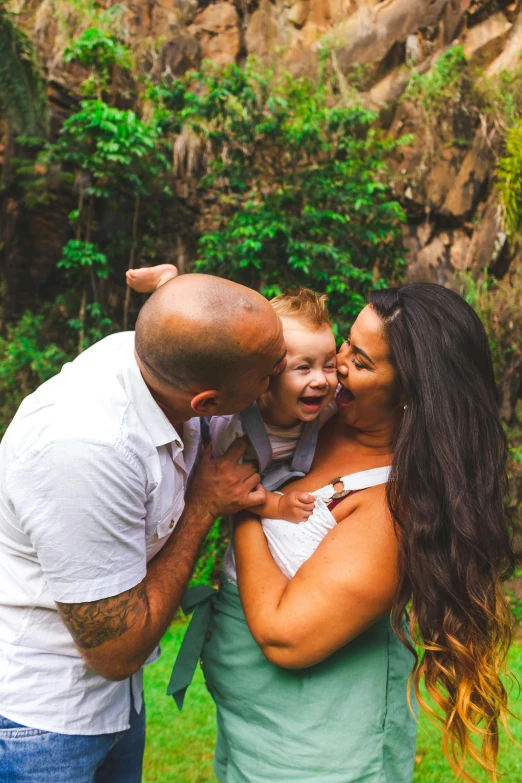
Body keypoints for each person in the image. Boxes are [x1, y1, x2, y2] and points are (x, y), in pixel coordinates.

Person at [190, 283, 516, 783]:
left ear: (410, 391)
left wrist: (243, 505)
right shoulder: (319, 420)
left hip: (319, 743)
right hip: (252, 719)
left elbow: (285, 639)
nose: (337, 363)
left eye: (360, 361)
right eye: (346, 342)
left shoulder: (394, 509)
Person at [0, 273, 286, 783]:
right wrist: (202, 506)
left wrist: (172, 287)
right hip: (42, 725)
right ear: (207, 403)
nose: (281, 376)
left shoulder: (158, 359)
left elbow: (206, 325)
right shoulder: (87, 448)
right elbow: (117, 651)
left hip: (116, 704)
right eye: (268, 375)